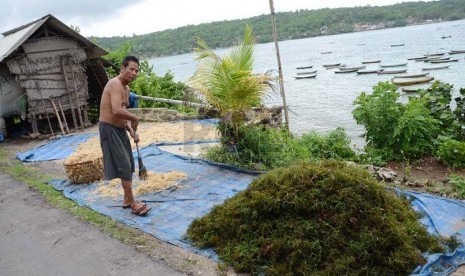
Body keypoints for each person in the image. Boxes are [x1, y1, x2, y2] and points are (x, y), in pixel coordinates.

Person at [98, 56, 151, 216]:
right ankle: (133, 202)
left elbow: (122, 114)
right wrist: (134, 117)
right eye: (131, 69)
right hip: (109, 129)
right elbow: (116, 110)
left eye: (136, 70)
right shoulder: (115, 84)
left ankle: (127, 200)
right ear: (122, 68)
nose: (134, 73)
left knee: (128, 162)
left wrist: (131, 131)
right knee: (124, 166)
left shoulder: (126, 89)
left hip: (120, 130)